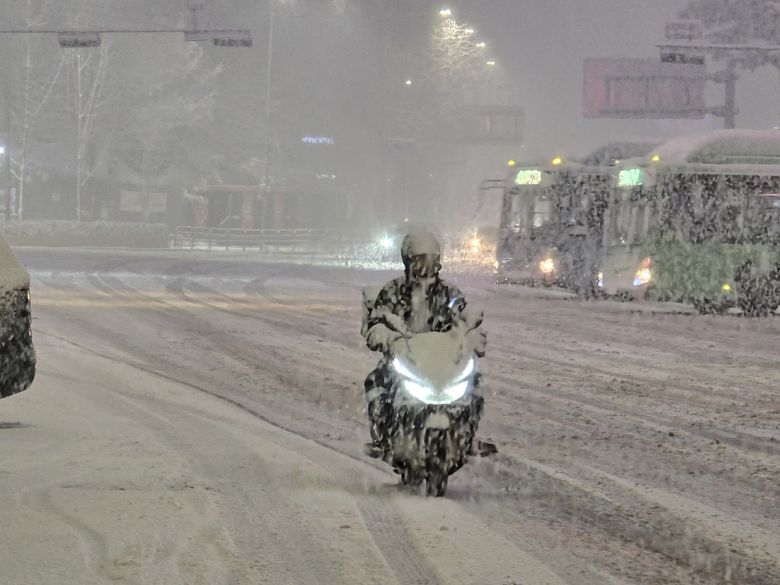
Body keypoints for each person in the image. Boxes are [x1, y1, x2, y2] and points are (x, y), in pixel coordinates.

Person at [361, 229, 490, 454]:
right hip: (406, 355)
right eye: (420, 260)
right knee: (376, 382)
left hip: (443, 357)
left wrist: (472, 339)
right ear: (408, 260)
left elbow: (464, 316)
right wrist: (388, 339)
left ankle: (468, 435)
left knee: (474, 382)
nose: (426, 266)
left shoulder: (448, 293)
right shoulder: (393, 292)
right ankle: (384, 436)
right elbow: (376, 323)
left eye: (431, 260)